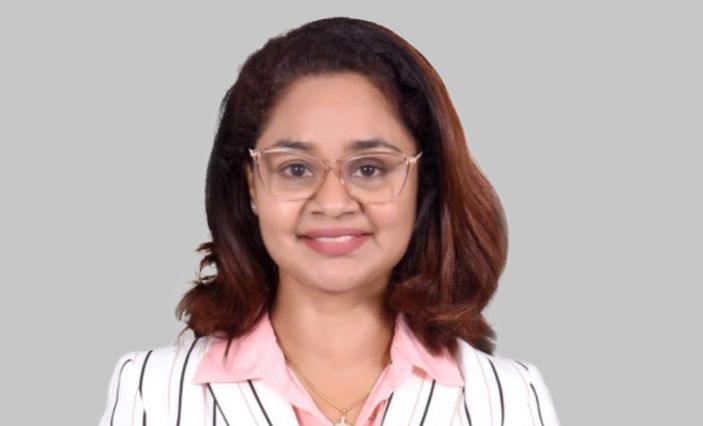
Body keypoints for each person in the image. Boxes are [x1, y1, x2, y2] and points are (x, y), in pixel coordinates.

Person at [99, 16, 559, 426]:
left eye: (370, 168)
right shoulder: (152, 391)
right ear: (251, 184)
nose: (333, 202)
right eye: (296, 169)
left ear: (425, 182)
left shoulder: (509, 397)